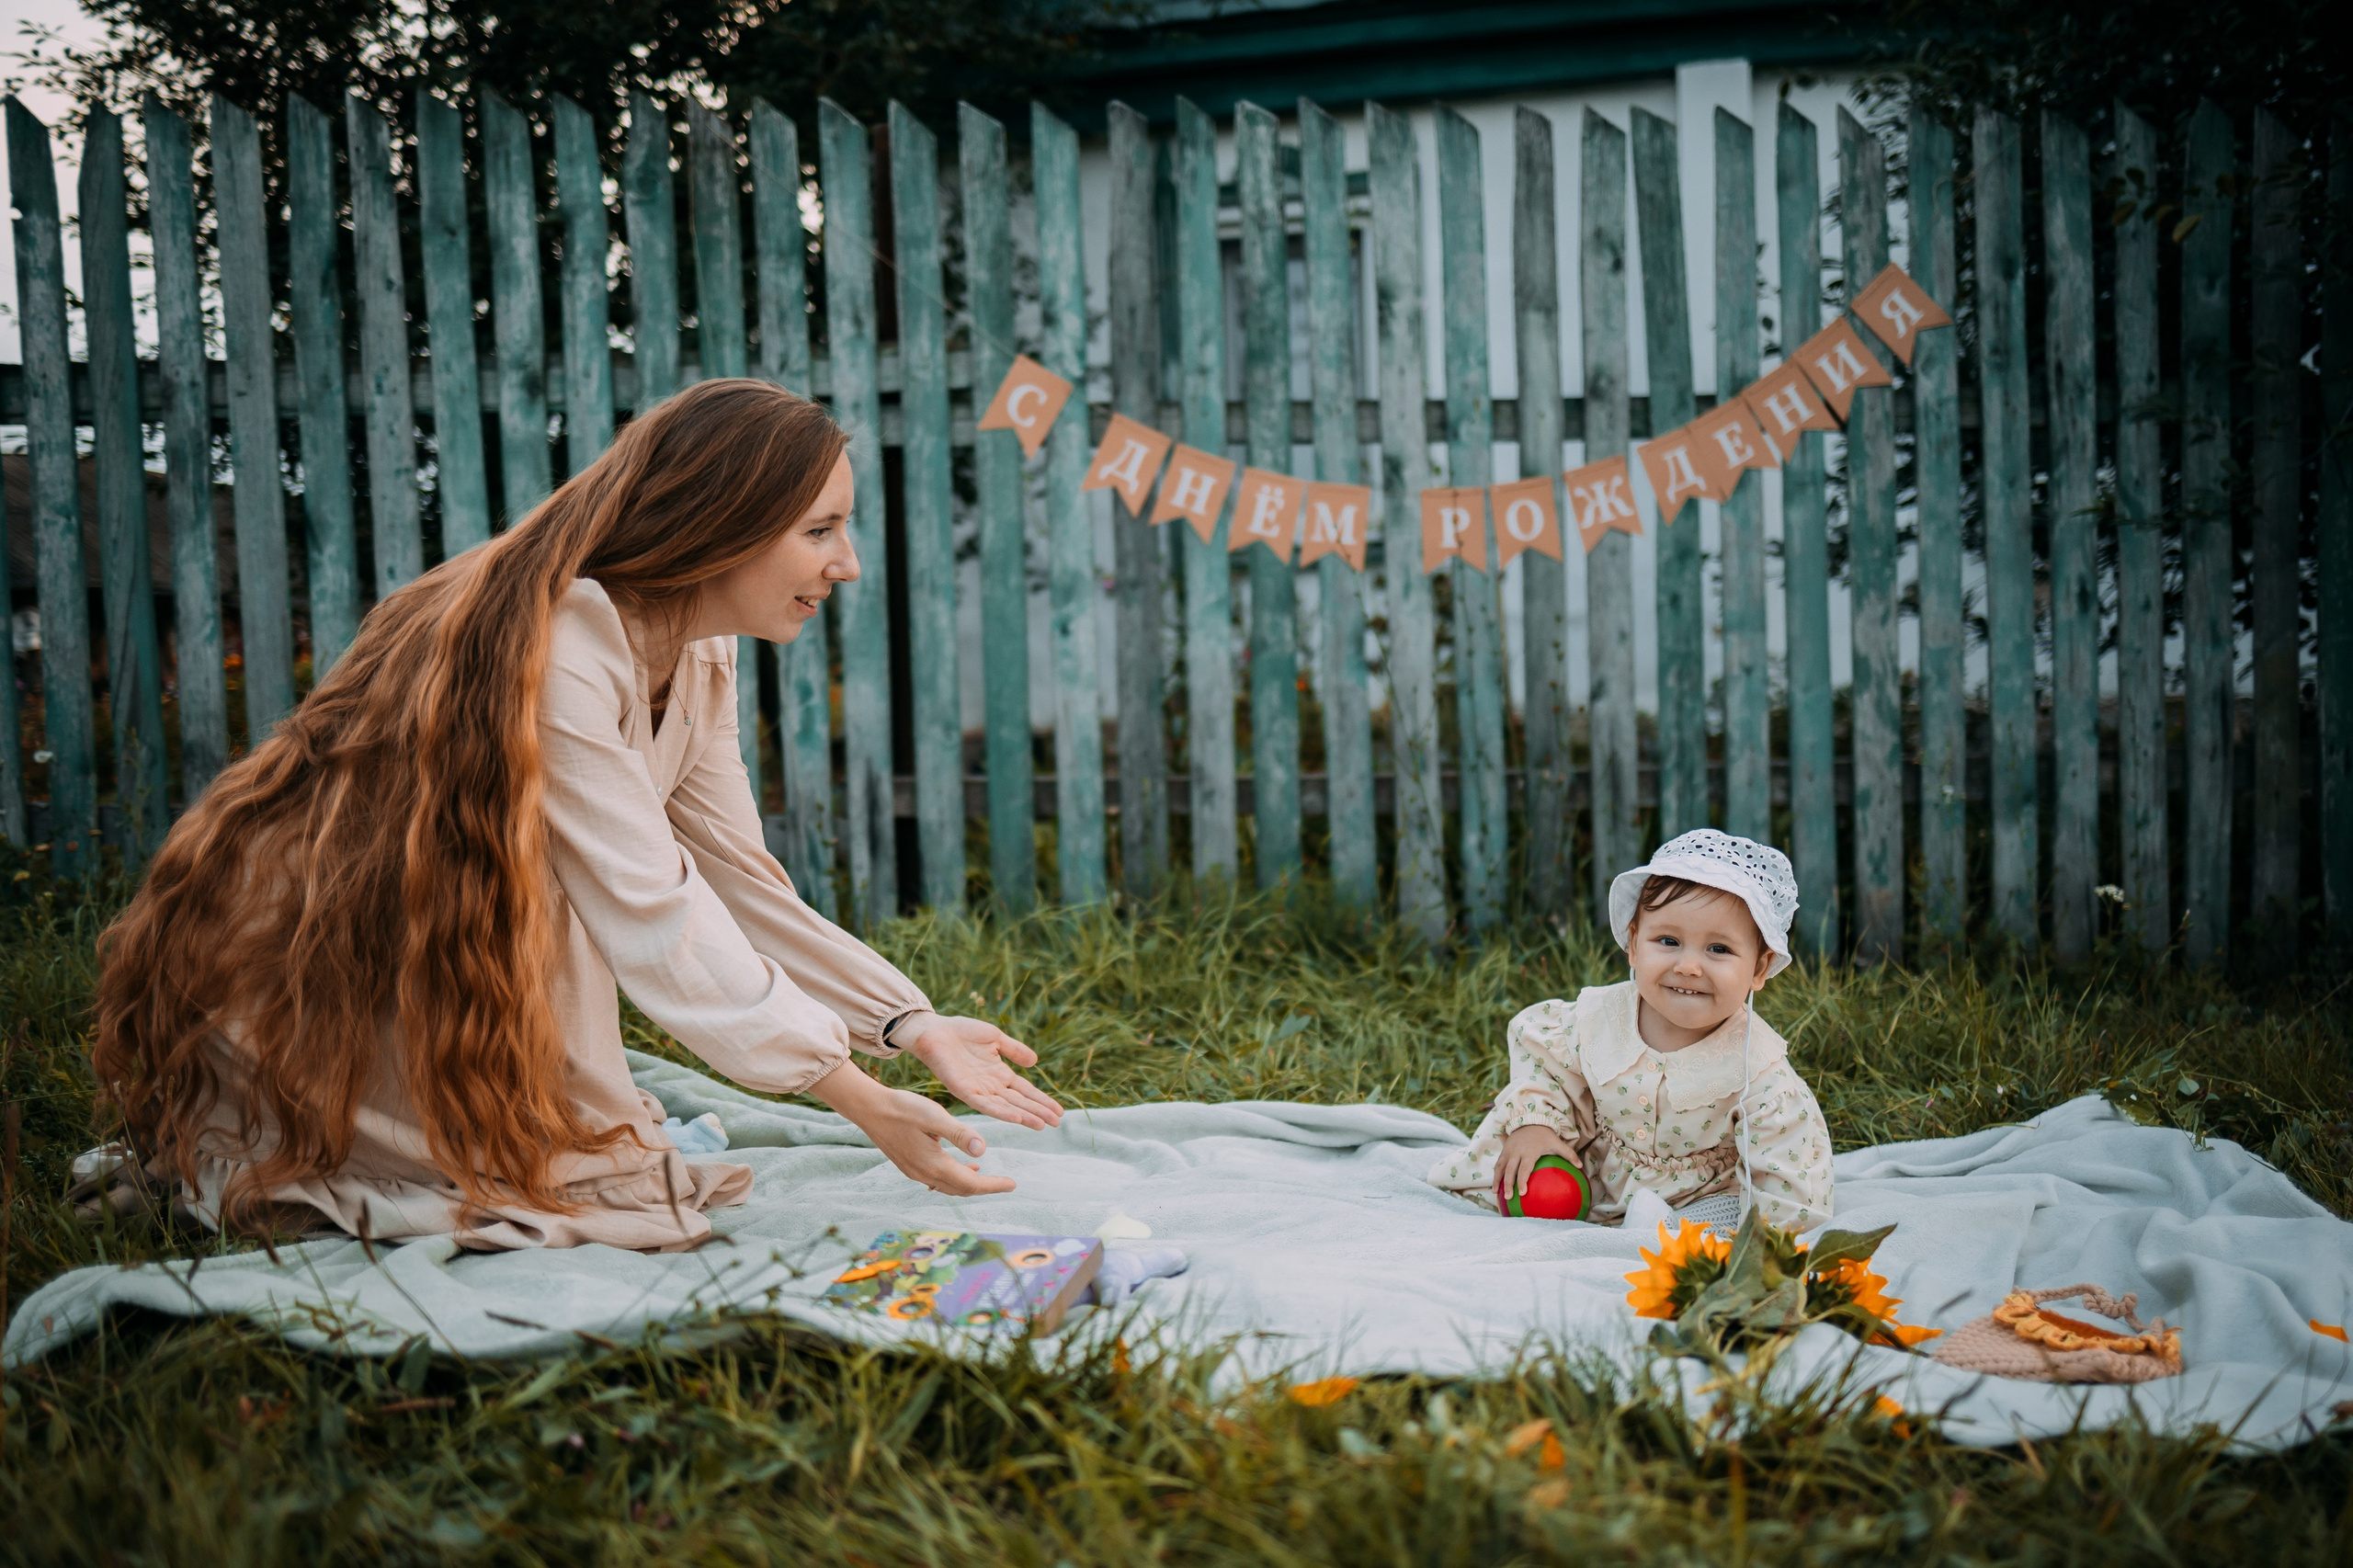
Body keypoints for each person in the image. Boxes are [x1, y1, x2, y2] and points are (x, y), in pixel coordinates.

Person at [93, 381, 1062, 1251]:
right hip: (340, 978)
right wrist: (858, 1100)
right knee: (570, 1161)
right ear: (721, 522)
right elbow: (653, 912)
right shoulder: (560, 645)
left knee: (591, 1133)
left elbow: (736, 882)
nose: (845, 564)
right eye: (820, 529)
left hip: (443, 948)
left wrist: (909, 1025)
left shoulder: (697, 649)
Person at [1427, 830, 1834, 1232]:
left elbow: (1784, 1172)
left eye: (1719, 949)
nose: (1689, 966)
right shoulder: (1598, 1017)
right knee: (1516, 1165)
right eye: (1669, 940)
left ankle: (1674, 1225)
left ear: (1759, 969)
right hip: (1591, 1167)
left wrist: (1768, 1233)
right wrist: (1535, 1124)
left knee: (1707, 1229)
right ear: (1634, 945)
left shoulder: (1759, 1074)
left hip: (1697, 1192)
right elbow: (1547, 1065)